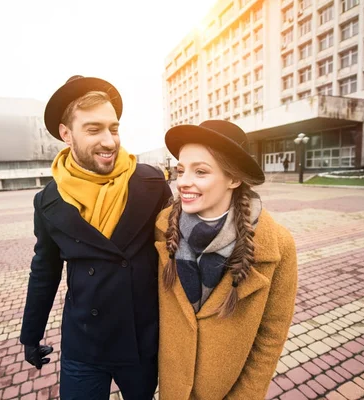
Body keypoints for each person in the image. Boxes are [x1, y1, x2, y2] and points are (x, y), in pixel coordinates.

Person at [20, 75, 172, 399]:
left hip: (141, 338)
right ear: (66, 134)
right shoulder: (48, 201)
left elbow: (176, 251)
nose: (109, 141)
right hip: (84, 343)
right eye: (93, 129)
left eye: (113, 128)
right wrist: (30, 335)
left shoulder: (150, 183)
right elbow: (45, 271)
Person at [154, 120, 298, 400]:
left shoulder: (277, 245)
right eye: (181, 170)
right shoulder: (161, 228)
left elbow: (271, 335)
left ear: (234, 178)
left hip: (228, 392)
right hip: (172, 389)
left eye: (201, 172)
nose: (183, 181)